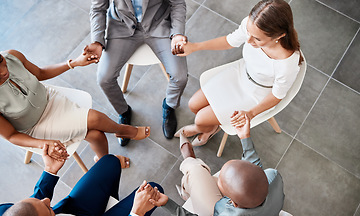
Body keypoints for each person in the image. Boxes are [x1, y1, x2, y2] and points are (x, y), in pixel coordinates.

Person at [173, 0, 304, 146]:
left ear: (279, 36)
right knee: (193, 105)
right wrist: (195, 47)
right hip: (240, 72)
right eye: (249, 33)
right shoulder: (251, 24)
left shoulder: (287, 64)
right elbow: (229, 41)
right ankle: (210, 126)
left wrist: (251, 113)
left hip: (256, 94)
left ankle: (204, 129)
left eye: (257, 39)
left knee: (200, 119)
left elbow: (277, 96)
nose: (248, 40)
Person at [0, 49, 151, 166]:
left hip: (51, 100)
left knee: (96, 135)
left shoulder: (12, 56)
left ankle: (104, 162)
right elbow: (12, 135)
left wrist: (74, 63)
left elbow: (40, 73)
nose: (3, 71)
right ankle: (122, 130)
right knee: (95, 119)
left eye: (0, 61)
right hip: (36, 128)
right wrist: (43, 143)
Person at [150, 113, 285, 216]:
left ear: (232, 202)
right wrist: (245, 136)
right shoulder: (274, 177)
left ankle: (189, 177)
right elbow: (255, 170)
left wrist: (167, 203)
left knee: (196, 171)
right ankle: (190, 181)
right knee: (205, 177)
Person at [0, 144, 163, 216]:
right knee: (156, 190)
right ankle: (121, 212)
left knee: (110, 162)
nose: (48, 201)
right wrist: (136, 214)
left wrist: (49, 171)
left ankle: (112, 201)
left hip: (73, 210)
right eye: (49, 210)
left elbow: (31, 212)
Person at [86, 0, 188, 143]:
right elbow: (97, 9)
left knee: (180, 76)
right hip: (121, 27)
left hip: (159, 24)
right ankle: (124, 112)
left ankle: (169, 106)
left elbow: (177, 3)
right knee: (104, 78)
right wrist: (97, 41)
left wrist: (177, 33)